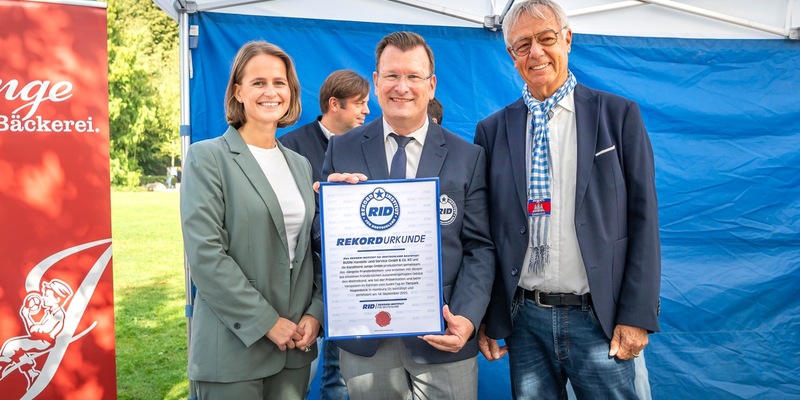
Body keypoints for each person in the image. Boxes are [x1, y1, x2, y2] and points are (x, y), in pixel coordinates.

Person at [473, 1, 661, 398]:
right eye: (523, 45)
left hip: (600, 319)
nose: (536, 53)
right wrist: (487, 314)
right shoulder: (492, 131)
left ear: (568, 39)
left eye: (546, 39)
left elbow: (643, 220)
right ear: (511, 54)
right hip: (525, 320)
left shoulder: (618, 116)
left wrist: (637, 315)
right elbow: (487, 232)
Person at [319, 31, 495, 400]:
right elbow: (320, 242)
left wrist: (466, 317)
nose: (402, 87)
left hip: (444, 334)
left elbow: (480, 247)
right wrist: (330, 213)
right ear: (376, 81)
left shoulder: (468, 156)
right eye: (392, 75)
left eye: (413, 76)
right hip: (367, 340)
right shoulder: (341, 149)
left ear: (431, 85)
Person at [180, 40, 323, 399]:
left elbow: (310, 251)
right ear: (238, 91)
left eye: (279, 82)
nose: (271, 92)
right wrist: (266, 322)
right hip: (233, 349)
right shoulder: (207, 158)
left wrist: (316, 313)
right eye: (259, 82)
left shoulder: (300, 164)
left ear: (291, 92)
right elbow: (206, 256)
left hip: (294, 348)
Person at [280, 69, 370, 400]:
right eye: (359, 103)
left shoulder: (365, 145)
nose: (366, 111)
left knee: (341, 376)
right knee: (299, 378)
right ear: (334, 104)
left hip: (350, 281)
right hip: (303, 285)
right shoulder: (290, 147)